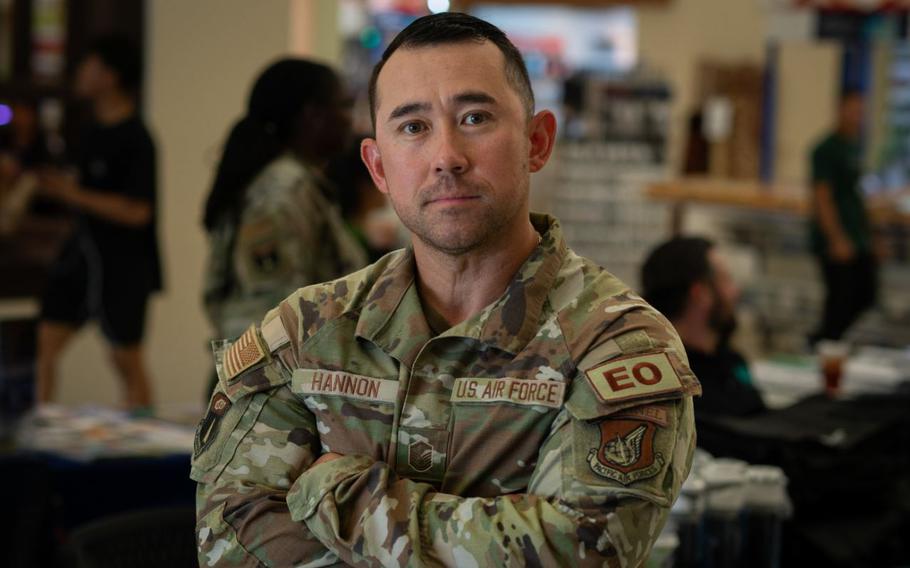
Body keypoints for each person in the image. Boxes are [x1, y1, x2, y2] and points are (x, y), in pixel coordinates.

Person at [191, 13, 701, 567]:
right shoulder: (307, 329)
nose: (447, 157)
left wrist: (340, 493)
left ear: (537, 141)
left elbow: (578, 552)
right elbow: (229, 542)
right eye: (413, 127)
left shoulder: (616, 342)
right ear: (379, 166)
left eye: (475, 117)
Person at [201, 59, 368, 347]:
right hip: (269, 380)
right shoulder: (282, 190)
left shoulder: (299, 184)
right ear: (312, 115)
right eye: (343, 105)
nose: (351, 119)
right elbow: (274, 308)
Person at [35, 35, 160, 411]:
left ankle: (143, 442)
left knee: (124, 358)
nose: (79, 73)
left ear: (110, 76)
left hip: (123, 265)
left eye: (88, 65)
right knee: (46, 343)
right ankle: (35, 429)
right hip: (80, 257)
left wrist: (72, 195)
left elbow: (138, 211)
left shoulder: (136, 138)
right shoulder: (88, 132)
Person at [641, 237, 765, 417]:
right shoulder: (671, 387)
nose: (735, 291)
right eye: (726, 280)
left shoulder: (731, 362)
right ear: (700, 294)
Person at [808, 90, 877, 344]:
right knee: (840, 299)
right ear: (840, 109)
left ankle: (829, 343)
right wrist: (836, 237)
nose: (858, 116)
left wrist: (871, 236)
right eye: (853, 110)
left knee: (865, 295)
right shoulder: (825, 149)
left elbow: (857, 194)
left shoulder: (853, 146)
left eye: (861, 111)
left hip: (857, 235)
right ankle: (823, 345)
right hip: (837, 237)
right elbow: (822, 197)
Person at [325, 136, 402, 263]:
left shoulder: (346, 231)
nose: (389, 184)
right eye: (381, 173)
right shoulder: (354, 243)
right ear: (364, 186)